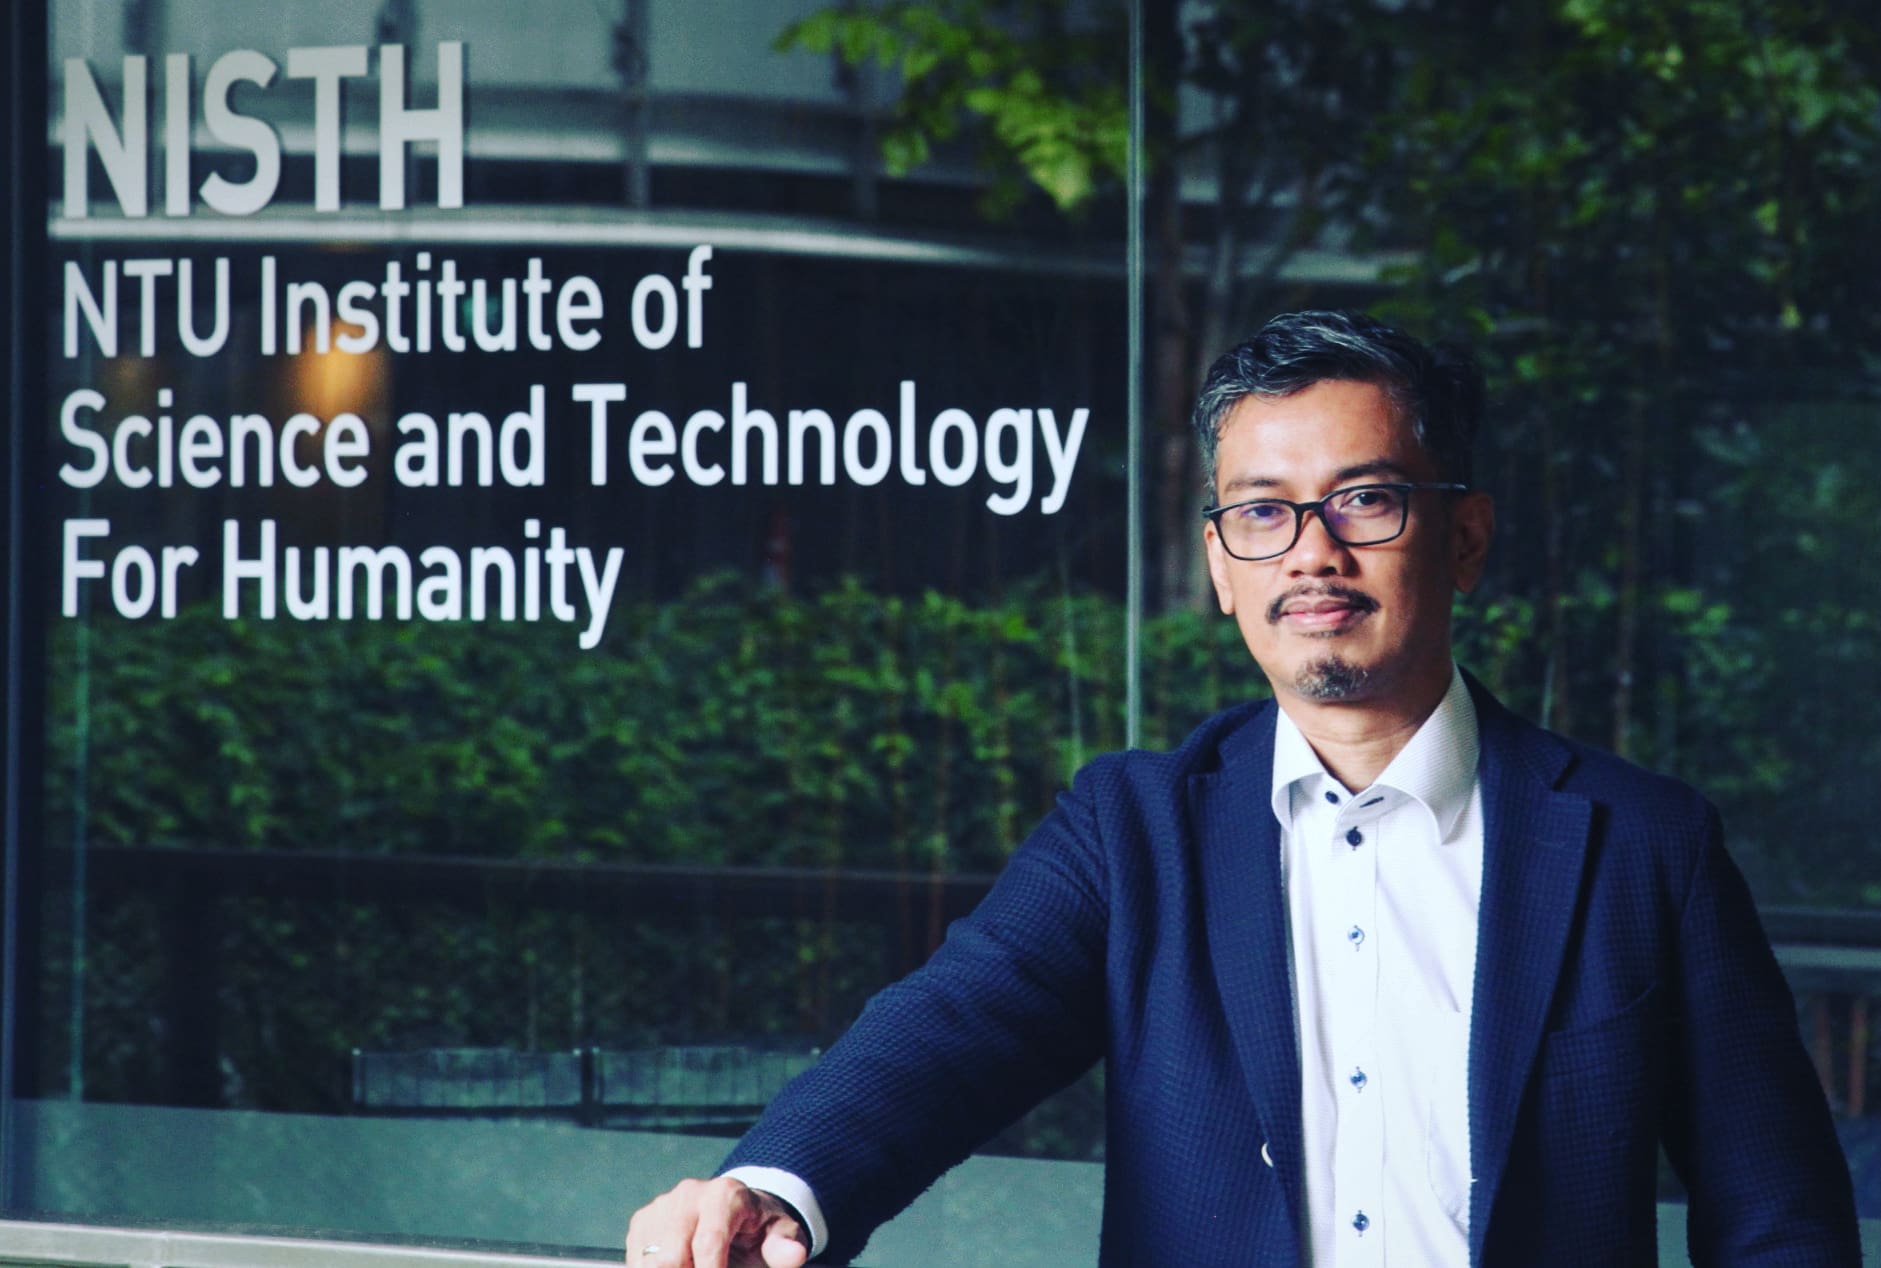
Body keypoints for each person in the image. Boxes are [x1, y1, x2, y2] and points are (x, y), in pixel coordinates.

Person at [625, 311, 1859, 1266]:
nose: (1312, 551)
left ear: (1466, 535)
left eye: (1364, 500)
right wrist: (767, 1186)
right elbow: (953, 1028)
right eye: (1263, 512)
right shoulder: (1133, 831)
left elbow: (1780, 1223)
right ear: (1220, 564)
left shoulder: (1644, 847)